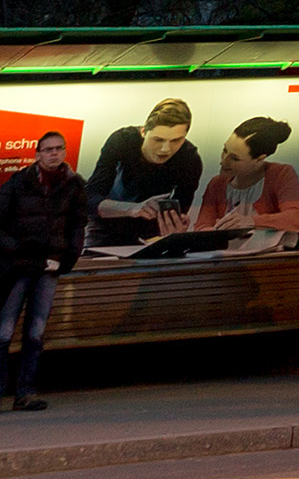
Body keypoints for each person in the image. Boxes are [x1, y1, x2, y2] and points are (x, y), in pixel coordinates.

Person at [1, 129, 94, 411]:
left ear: (64, 152)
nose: (54, 153)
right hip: (16, 268)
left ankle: (26, 393)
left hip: (49, 269)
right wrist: (16, 248)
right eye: (48, 149)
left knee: (35, 333)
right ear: (37, 154)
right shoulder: (18, 183)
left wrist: (68, 258)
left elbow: (78, 224)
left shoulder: (74, 185)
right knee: (3, 332)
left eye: (59, 148)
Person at [83, 99, 200, 247]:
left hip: (152, 235)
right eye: (158, 140)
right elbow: (90, 199)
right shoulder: (123, 140)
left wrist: (176, 227)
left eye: (176, 140)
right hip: (105, 228)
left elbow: (181, 209)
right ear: (143, 131)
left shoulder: (190, 158)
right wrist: (134, 208)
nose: (166, 149)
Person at [191, 116, 299, 237]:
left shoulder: (281, 174)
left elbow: (296, 219)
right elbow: (201, 228)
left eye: (235, 158)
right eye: (224, 150)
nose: (223, 161)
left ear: (259, 159)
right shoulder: (216, 184)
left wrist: (250, 221)